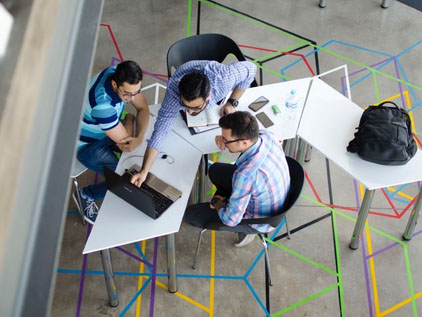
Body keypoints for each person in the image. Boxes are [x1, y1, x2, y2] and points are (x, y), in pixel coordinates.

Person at [130, 60, 257, 187]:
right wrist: (144, 171)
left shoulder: (223, 79)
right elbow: (160, 131)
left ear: (208, 97)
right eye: (185, 106)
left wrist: (232, 101)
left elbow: (251, 69)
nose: (190, 112)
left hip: (213, 74)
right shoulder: (174, 91)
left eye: (195, 108)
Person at [184, 111, 291, 247]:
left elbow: (230, 220)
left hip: (259, 220)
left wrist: (218, 203)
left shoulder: (245, 175)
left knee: (191, 214)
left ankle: (246, 233)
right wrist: (224, 139)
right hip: (274, 195)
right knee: (215, 170)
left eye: (226, 140)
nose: (223, 142)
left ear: (244, 142)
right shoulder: (266, 135)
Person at [73, 60, 150, 224]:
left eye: (136, 92)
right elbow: (126, 145)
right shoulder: (102, 106)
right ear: (115, 84)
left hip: (105, 130)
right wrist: (129, 120)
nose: (131, 98)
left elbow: (143, 108)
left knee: (137, 156)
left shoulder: (119, 73)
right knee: (123, 177)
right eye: (127, 94)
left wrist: (139, 137)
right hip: (87, 146)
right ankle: (86, 194)